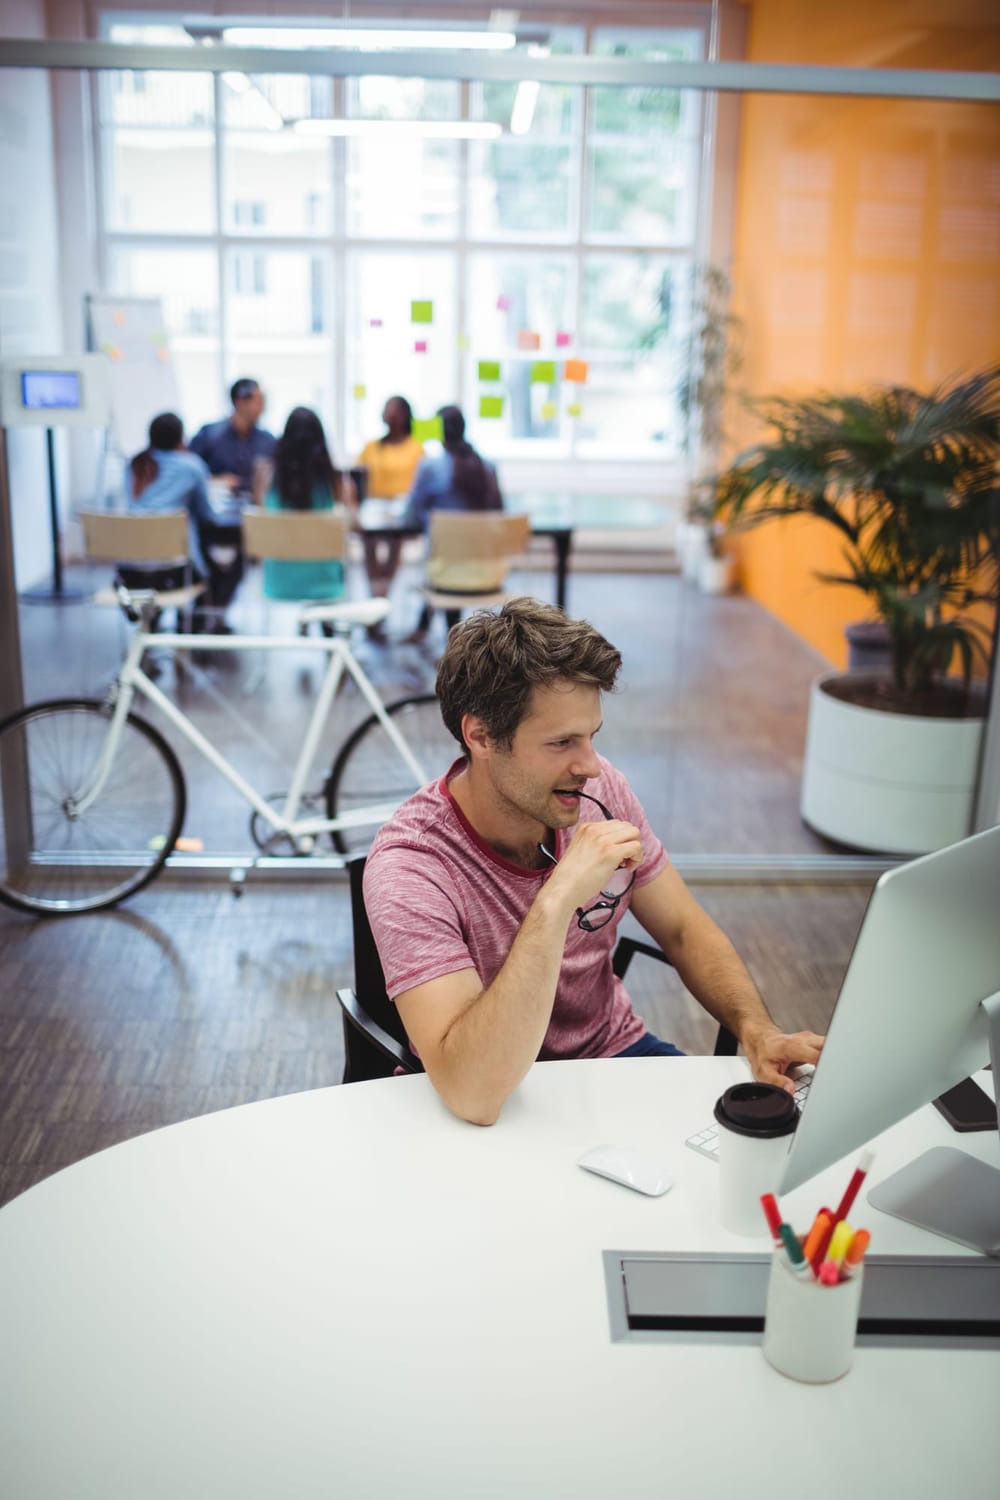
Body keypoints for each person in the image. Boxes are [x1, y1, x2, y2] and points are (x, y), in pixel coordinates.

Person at [364, 598, 824, 1126]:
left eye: (591, 736)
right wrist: (557, 896)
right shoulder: (411, 867)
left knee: (737, 1160)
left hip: (613, 1055)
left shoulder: (599, 789)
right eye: (561, 742)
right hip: (489, 1092)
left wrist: (756, 1029)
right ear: (481, 736)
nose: (589, 766)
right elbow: (474, 1092)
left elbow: (680, 928)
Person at [400, 404, 503, 643]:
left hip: (445, 569)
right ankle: (427, 628)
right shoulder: (488, 467)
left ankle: (438, 635)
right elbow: (499, 512)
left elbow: (412, 513)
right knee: (450, 557)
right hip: (486, 570)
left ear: (439, 431)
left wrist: (431, 522)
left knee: (445, 558)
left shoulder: (430, 467)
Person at [189, 378, 277, 627]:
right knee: (207, 559)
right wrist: (216, 480)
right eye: (258, 401)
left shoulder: (267, 440)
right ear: (240, 402)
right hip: (211, 515)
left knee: (243, 556)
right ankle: (206, 609)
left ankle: (213, 609)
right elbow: (189, 472)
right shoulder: (209, 435)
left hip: (250, 518)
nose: (262, 407)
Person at [252, 406, 357, 614]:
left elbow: (263, 519)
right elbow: (352, 522)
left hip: (279, 580)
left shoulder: (265, 475)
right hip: (325, 582)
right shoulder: (337, 481)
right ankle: (328, 630)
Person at [123, 410, 211, 614]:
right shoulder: (191, 466)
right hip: (175, 572)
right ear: (181, 439)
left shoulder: (134, 465)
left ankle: (151, 620)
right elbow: (207, 513)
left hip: (129, 572)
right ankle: (192, 625)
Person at [355, 395, 424, 639]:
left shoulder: (416, 448)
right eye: (386, 410)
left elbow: (418, 487)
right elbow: (359, 479)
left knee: (395, 541)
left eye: (394, 411)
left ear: (405, 416)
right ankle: (377, 594)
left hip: (402, 513)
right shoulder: (371, 447)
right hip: (373, 510)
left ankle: (380, 598)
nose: (389, 415)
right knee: (369, 540)